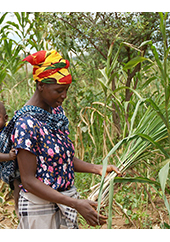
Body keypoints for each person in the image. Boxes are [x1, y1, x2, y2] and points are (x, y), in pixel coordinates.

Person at [12, 50, 122, 229]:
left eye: (66, 90)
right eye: (59, 90)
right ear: (41, 85)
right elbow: (28, 181)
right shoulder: (26, 123)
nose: (64, 96)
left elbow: (62, 158)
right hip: (40, 210)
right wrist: (75, 204)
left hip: (65, 201)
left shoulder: (56, 113)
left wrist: (97, 168)